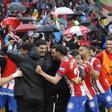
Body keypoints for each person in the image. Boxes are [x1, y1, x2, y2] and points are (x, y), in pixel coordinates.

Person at [36, 44, 87, 112]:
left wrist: (41, 72)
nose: (52, 54)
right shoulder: (71, 58)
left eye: (54, 52)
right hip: (78, 92)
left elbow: (55, 80)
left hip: (77, 94)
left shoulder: (64, 64)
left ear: (58, 53)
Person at [7, 43, 45, 112]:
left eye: (21, 51)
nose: (20, 52)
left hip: (25, 96)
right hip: (39, 96)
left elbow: (9, 52)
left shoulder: (23, 58)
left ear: (26, 50)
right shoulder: (42, 61)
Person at [90, 46, 112, 112]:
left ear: (94, 53)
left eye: (91, 52)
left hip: (104, 89)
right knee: (99, 108)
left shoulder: (96, 60)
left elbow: (96, 76)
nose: (89, 54)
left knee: (110, 107)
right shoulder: (83, 62)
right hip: (94, 90)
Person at [78, 46, 99, 112]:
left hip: (90, 92)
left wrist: (90, 67)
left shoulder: (95, 60)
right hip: (80, 94)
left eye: (81, 50)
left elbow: (96, 77)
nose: (79, 52)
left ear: (87, 51)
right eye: (79, 50)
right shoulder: (77, 62)